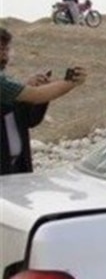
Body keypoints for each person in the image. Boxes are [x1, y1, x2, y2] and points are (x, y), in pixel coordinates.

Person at [0, 27, 88, 174]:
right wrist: (71, 82)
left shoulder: (7, 84)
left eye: (5, 49)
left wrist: (30, 89)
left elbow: (30, 120)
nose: (5, 54)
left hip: (16, 171)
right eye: (1, 48)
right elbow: (37, 94)